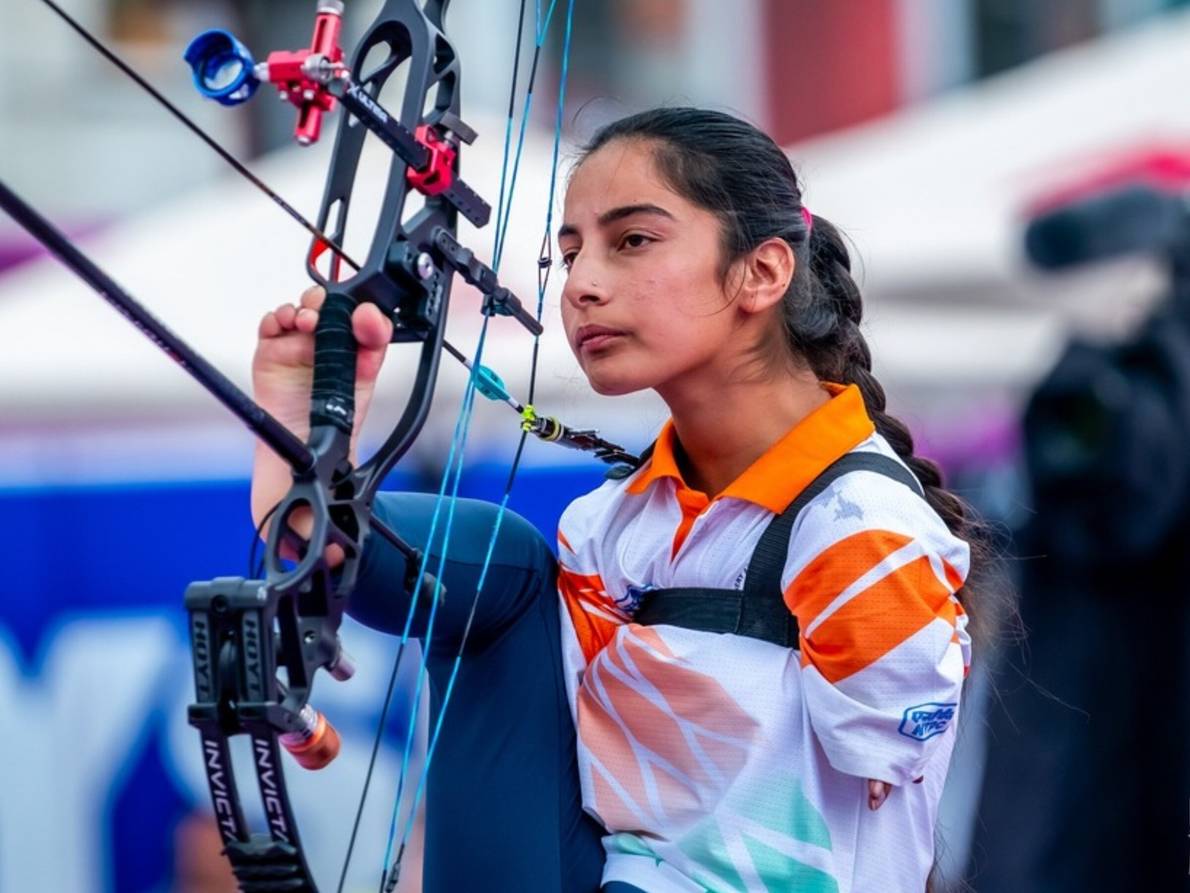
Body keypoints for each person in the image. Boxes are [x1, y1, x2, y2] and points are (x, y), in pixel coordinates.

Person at [251, 108, 986, 893]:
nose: (582, 286)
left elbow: (874, 822)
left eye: (632, 240)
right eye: (568, 255)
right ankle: (308, 497)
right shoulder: (612, 521)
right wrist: (310, 445)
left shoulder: (859, 522)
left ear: (763, 272)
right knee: (502, 572)